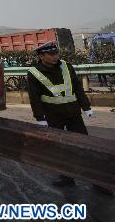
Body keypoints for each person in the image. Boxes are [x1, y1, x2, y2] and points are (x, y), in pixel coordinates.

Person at [27, 41, 112, 195]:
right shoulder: (34, 72)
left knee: (85, 146)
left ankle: (98, 181)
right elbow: (34, 97)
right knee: (60, 149)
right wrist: (40, 118)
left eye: (56, 53)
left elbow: (78, 88)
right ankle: (66, 177)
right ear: (41, 56)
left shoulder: (66, 66)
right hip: (53, 116)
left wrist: (86, 107)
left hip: (73, 114)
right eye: (51, 54)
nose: (55, 57)